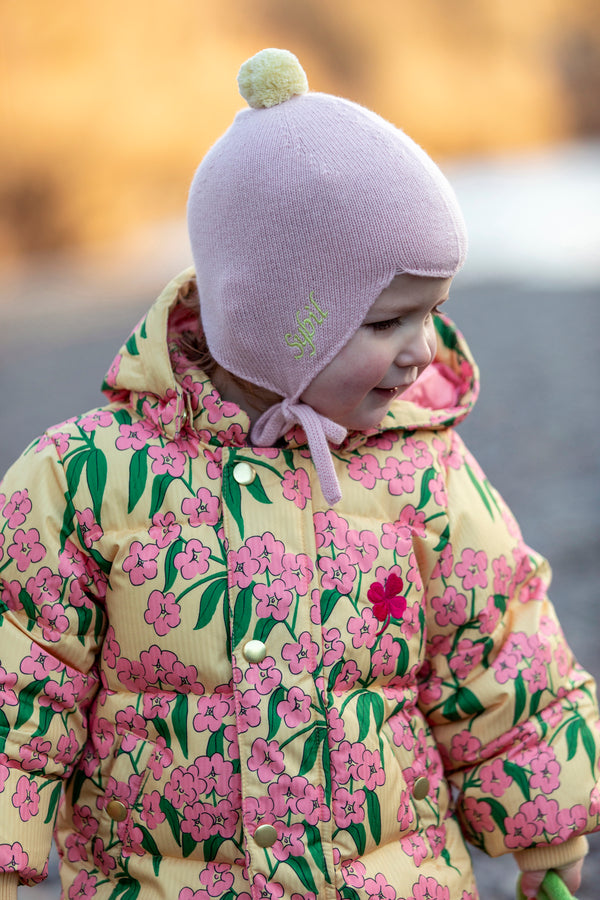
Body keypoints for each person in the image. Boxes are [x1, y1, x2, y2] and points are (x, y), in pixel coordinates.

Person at [0, 47, 597, 900]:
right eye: (389, 320)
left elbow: (499, 652)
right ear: (276, 321)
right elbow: (20, 685)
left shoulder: (421, 468)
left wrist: (551, 824)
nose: (422, 350)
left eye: (434, 311)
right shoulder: (85, 482)